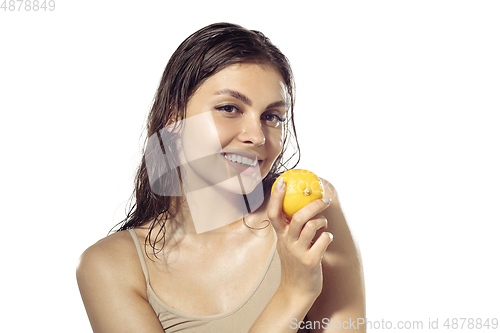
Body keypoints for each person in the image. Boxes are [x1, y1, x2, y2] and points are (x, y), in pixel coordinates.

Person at [76, 22, 366, 333]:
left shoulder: (309, 211)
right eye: (229, 108)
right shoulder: (111, 266)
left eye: (272, 117)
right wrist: (294, 293)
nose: (256, 136)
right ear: (174, 118)